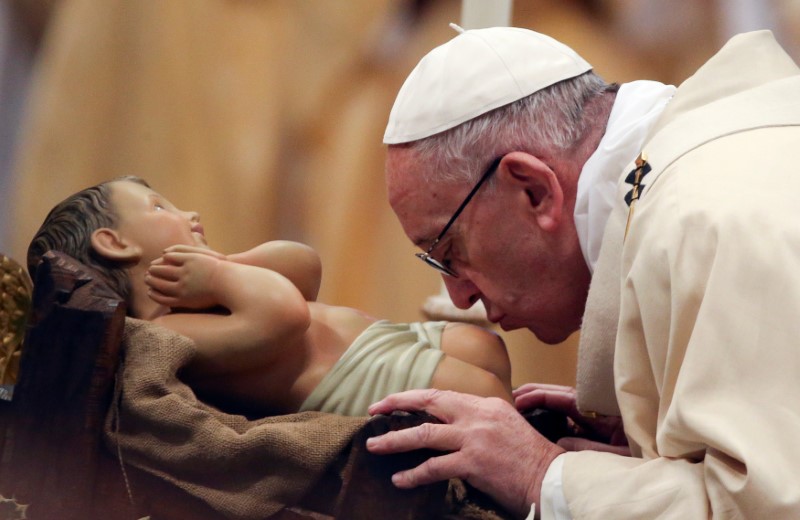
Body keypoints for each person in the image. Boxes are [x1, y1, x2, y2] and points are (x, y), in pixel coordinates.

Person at [366, 24, 800, 519]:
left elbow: (769, 508)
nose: (458, 295)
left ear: (533, 189)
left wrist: (541, 474)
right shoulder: (723, 156)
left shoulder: (707, 217)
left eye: (449, 250)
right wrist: (652, 435)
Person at [27, 176, 513, 417]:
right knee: (487, 398)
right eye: (160, 207)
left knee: (485, 348)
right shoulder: (164, 332)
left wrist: (225, 267)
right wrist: (219, 279)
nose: (189, 212)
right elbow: (284, 316)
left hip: (386, 342)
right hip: (363, 382)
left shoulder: (206, 283)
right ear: (115, 243)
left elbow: (303, 266)